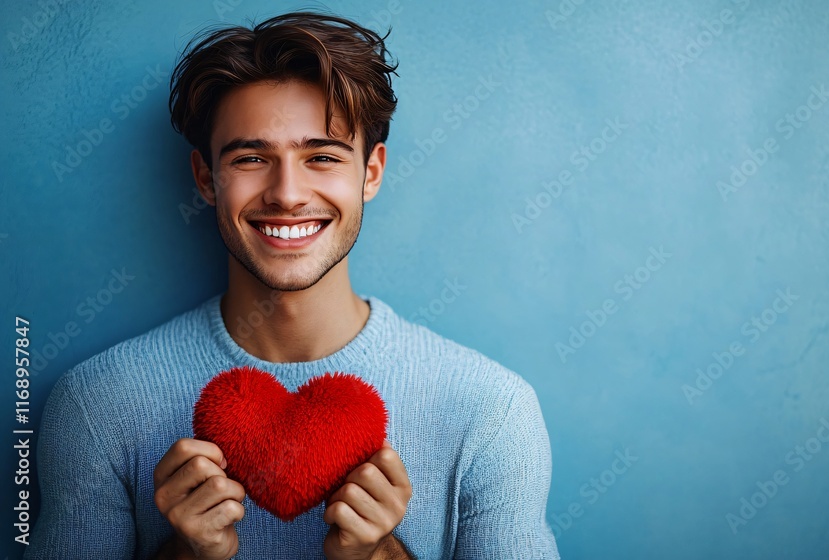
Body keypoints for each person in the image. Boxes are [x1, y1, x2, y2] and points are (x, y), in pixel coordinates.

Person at [26, 11, 559, 560]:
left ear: (370, 173)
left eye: (321, 157)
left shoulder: (492, 411)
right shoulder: (97, 405)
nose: (286, 193)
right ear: (206, 178)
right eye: (251, 158)